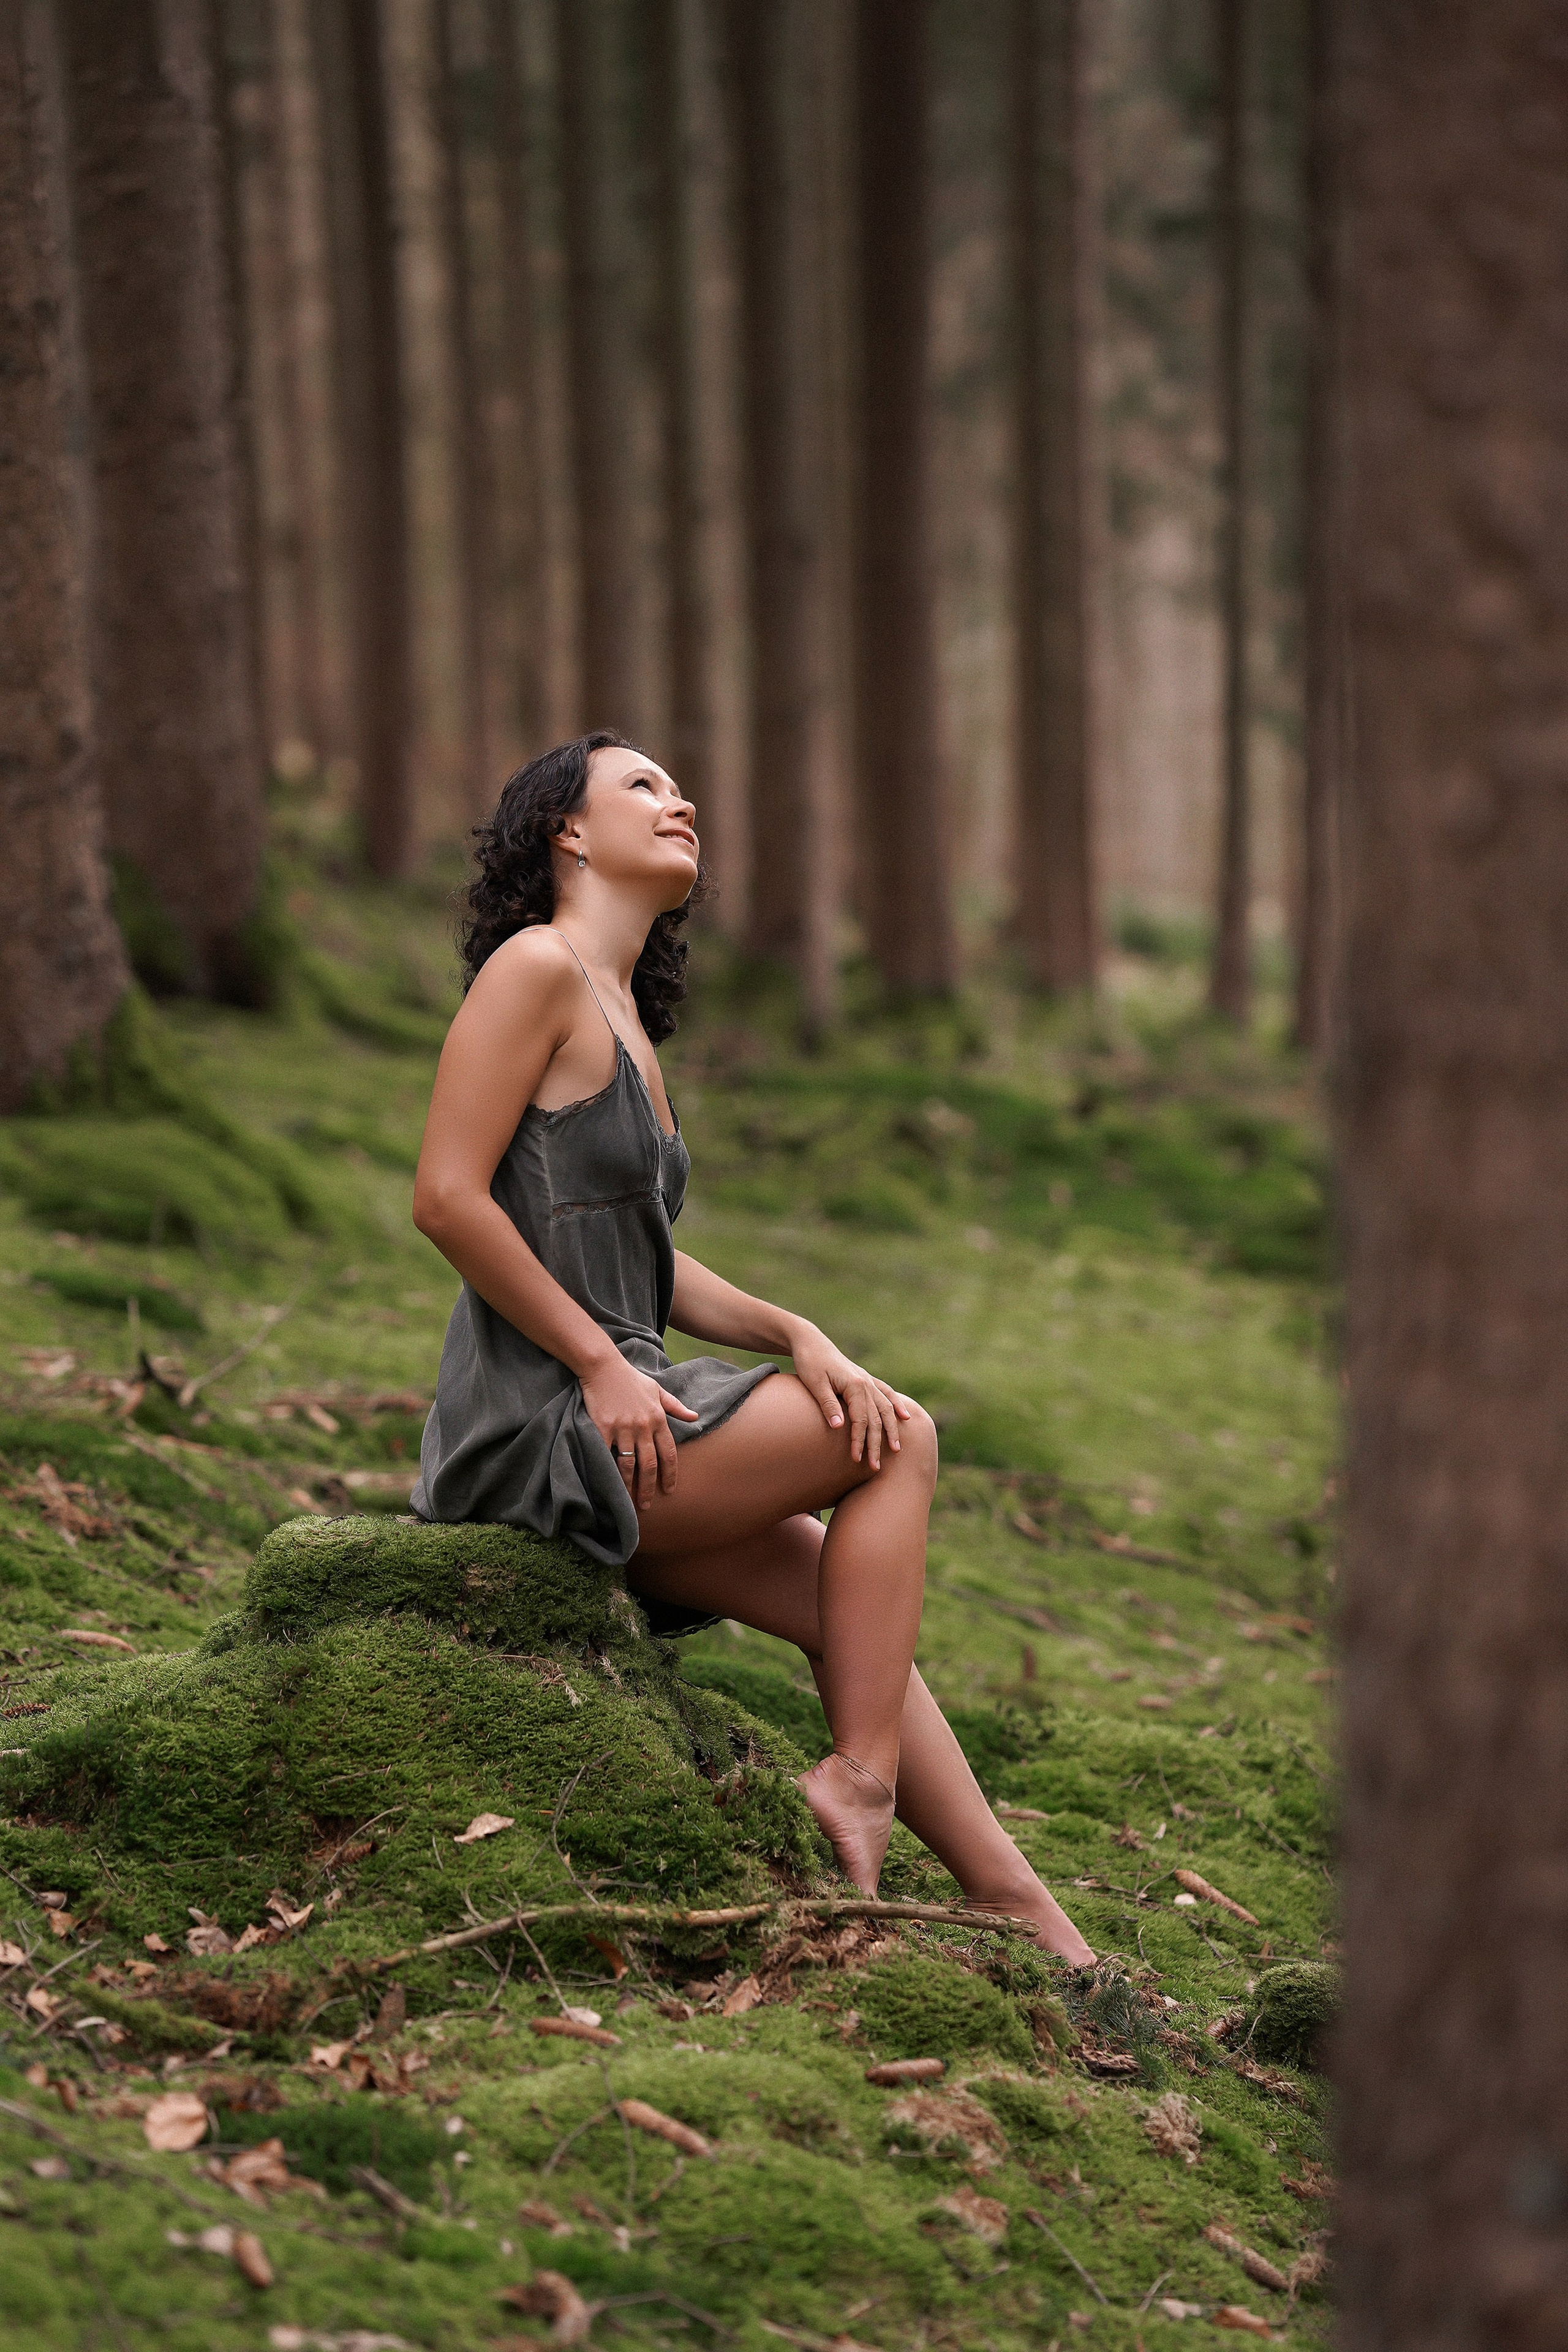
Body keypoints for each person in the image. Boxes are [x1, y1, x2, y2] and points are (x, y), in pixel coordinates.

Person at [410, 731, 1094, 1964]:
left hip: (626, 1411)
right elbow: (448, 1199)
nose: (677, 803)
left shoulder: (619, 1011)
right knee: (897, 1440)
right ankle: (858, 1788)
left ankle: (1015, 1902)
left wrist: (797, 1332)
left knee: (853, 1595)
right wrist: (597, 1364)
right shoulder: (534, 969)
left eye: (677, 788)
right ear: (566, 831)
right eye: (640, 787)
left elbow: (646, 1261)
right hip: (541, 1432)